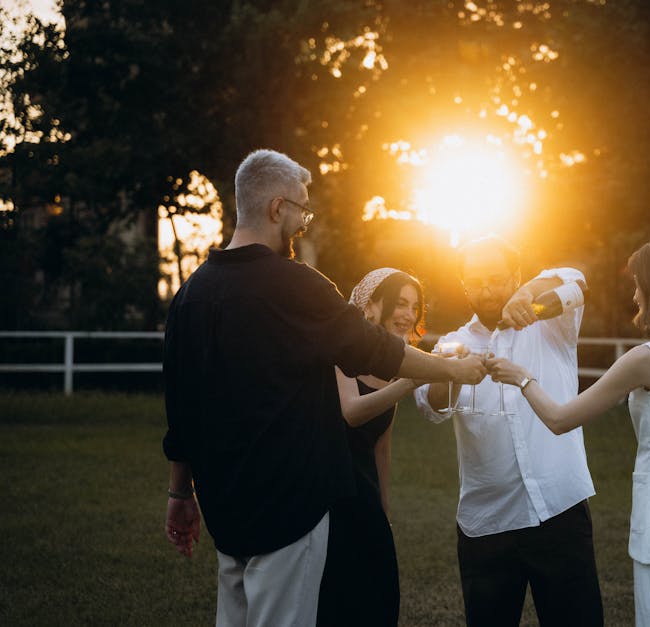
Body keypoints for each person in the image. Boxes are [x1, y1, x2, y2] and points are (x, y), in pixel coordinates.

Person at [162, 149, 486, 627]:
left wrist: (180, 494)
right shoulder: (297, 286)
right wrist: (451, 370)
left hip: (224, 509)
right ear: (277, 209)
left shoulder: (190, 295)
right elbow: (376, 350)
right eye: (302, 210)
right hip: (289, 509)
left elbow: (182, 412)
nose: (303, 222)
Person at [487, 235, 650, 627]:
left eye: (638, 285)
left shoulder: (648, 358)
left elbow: (560, 419)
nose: (635, 296)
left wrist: (521, 377)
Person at [414, 236, 604, 627]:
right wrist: (450, 371)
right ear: (464, 284)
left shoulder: (551, 325)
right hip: (488, 522)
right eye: (476, 281)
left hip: (559, 508)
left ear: (514, 275)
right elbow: (429, 407)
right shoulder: (454, 343)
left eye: (497, 278)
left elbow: (578, 281)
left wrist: (529, 291)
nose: (486, 290)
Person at [317, 267, 429, 626]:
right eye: (400, 303)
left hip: (364, 498)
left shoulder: (391, 366)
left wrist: (384, 513)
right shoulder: (340, 352)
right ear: (373, 305)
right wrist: (409, 383)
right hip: (325, 496)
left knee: (378, 598)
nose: (409, 314)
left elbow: (381, 445)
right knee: (334, 602)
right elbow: (352, 413)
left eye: (415, 307)